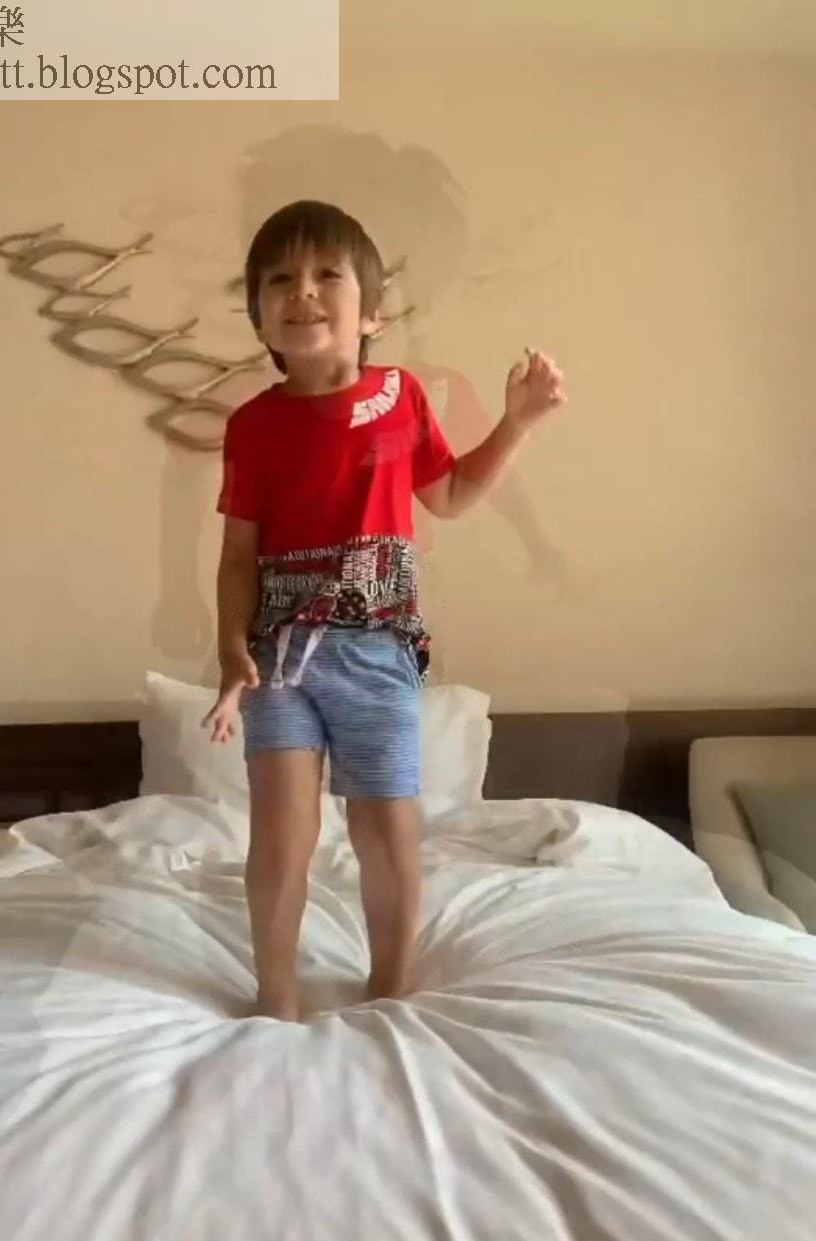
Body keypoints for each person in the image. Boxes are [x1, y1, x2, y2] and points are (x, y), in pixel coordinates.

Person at [202, 200, 566, 1020]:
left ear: (372, 311)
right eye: (279, 280)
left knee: (386, 826)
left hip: (377, 648)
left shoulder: (400, 397)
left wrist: (516, 423)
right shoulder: (252, 425)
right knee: (282, 832)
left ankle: (392, 988)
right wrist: (230, 648)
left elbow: (452, 494)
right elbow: (236, 556)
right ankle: (275, 994)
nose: (302, 291)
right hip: (279, 656)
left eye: (326, 275)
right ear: (257, 314)